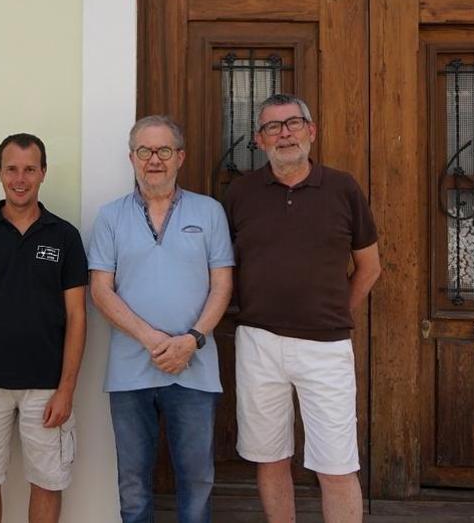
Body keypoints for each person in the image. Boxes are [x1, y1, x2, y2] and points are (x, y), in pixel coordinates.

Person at [223, 94, 382, 523]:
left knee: (336, 463)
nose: (285, 133)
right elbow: (221, 269)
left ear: (311, 131)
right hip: (259, 343)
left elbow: (369, 267)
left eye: (293, 123)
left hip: (326, 347)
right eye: (273, 127)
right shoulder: (239, 194)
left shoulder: (343, 188)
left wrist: (331, 312)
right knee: (269, 458)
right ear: (259, 140)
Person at [89, 116, 234, 523]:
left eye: (164, 150)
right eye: (145, 151)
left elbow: (222, 285)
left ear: (180, 157)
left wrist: (191, 339)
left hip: (194, 367)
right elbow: (100, 289)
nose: (154, 160)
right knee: (133, 486)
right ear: (131, 157)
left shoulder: (209, 212)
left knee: (198, 482)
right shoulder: (110, 217)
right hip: (130, 372)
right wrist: (151, 337)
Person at [0, 133, 88, 523]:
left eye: (30, 169)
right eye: (12, 169)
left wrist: (66, 390)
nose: (20, 178)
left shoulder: (65, 236)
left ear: (43, 173)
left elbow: (78, 316)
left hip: (47, 389)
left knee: (47, 482)